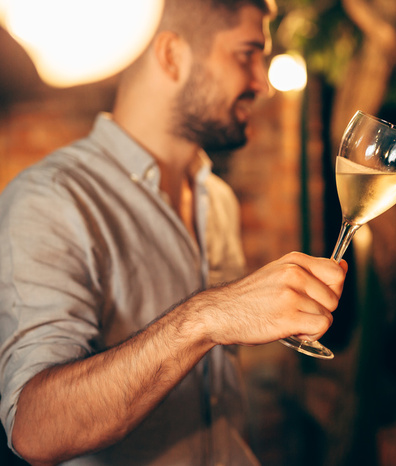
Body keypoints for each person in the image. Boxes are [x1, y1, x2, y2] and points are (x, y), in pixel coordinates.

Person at [0, 0, 348, 464]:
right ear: (171, 56)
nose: (261, 82)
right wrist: (206, 317)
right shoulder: (52, 198)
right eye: (246, 53)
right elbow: (34, 429)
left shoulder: (217, 199)